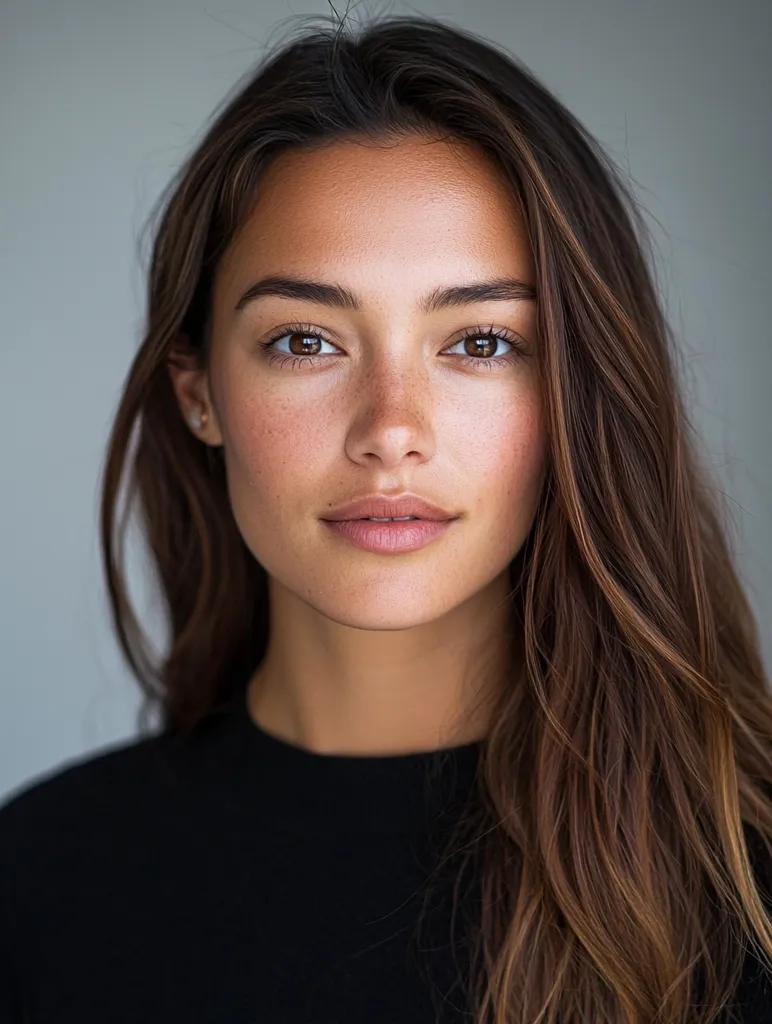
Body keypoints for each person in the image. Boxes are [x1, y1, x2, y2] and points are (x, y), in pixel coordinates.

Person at [1, 10, 771, 1023]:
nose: (391, 430)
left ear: (575, 392)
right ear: (198, 392)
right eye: (306, 342)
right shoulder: (38, 884)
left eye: (482, 344)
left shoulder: (742, 880)